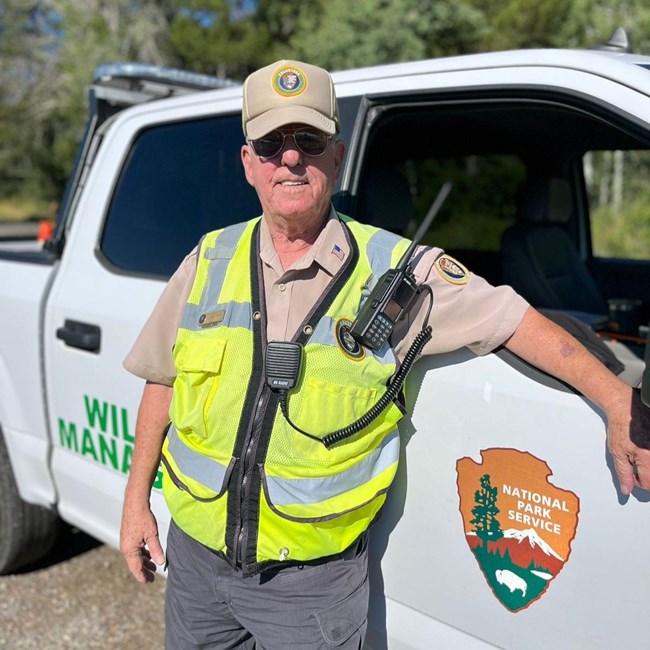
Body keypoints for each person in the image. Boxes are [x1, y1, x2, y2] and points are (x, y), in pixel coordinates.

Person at [120, 59, 650, 649]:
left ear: (337, 155)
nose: (290, 157)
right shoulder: (207, 260)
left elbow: (516, 321)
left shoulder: (401, 274)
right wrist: (136, 502)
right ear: (249, 164)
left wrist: (617, 397)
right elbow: (162, 382)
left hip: (311, 587)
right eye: (270, 143)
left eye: (308, 140)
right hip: (196, 564)